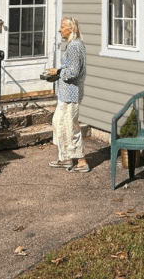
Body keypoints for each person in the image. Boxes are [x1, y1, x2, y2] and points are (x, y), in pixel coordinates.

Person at [47, 17, 88, 172]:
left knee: (70, 128)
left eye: (62, 27)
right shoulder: (72, 45)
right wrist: (58, 73)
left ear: (70, 29)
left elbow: (73, 71)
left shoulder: (75, 47)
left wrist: (58, 72)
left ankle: (82, 161)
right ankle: (65, 158)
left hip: (71, 93)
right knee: (59, 123)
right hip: (65, 93)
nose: (59, 30)